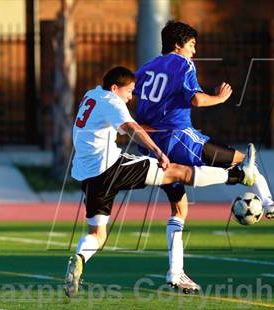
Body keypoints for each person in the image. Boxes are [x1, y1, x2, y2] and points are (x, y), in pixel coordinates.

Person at [134, 20, 274, 292]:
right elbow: (196, 100)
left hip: (150, 143)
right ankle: (268, 202)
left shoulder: (146, 68)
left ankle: (175, 273)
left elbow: (129, 95)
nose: (194, 52)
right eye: (191, 45)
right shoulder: (182, 64)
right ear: (178, 45)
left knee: (179, 209)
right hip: (178, 136)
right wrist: (220, 98)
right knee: (243, 161)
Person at [63, 66, 257, 297]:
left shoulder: (91, 95)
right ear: (114, 88)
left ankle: (79, 257)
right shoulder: (112, 102)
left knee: (98, 234)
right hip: (111, 167)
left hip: (89, 177)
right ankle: (238, 175)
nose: (129, 96)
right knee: (178, 172)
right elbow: (131, 128)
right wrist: (158, 151)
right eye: (128, 91)